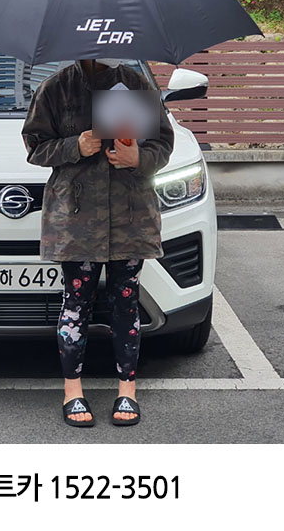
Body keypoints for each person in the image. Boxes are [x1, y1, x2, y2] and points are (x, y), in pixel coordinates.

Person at [21, 58, 174, 427]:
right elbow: (36, 147)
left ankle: (127, 390)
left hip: (130, 216)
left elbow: (163, 143)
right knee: (76, 303)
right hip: (77, 219)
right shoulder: (55, 88)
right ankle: (72, 391)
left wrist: (138, 157)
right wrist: (76, 145)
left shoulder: (135, 84)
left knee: (126, 303)